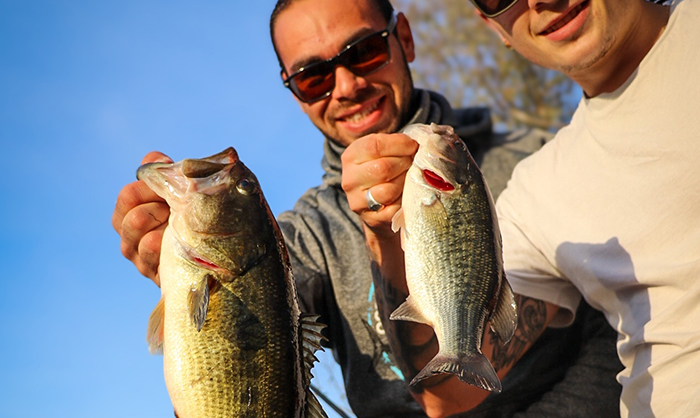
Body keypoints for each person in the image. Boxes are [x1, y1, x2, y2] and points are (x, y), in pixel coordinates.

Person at [112, 0, 623, 416]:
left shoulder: (538, 160)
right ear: (294, 93)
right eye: (313, 76)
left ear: (404, 38)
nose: (347, 86)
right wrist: (178, 280)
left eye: (365, 51)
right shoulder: (296, 239)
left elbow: (620, 327)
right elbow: (243, 372)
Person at [342, 0, 699, 416]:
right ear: (494, 27)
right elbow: (448, 396)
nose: (539, 0)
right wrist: (383, 235)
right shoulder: (537, 192)